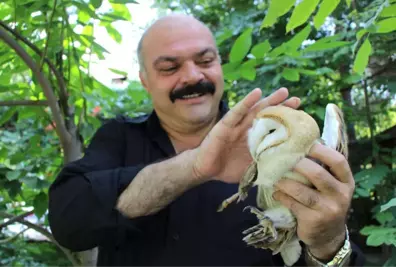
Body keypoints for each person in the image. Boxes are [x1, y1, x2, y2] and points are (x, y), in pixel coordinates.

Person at [48, 14, 365, 267]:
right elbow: (69, 220)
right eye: (170, 66)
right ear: (145, 79)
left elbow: (307, 252)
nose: (192, 77)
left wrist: (328, 242)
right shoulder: (120, 137)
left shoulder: (277, 138)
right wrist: (195, 167)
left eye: (205, 61)